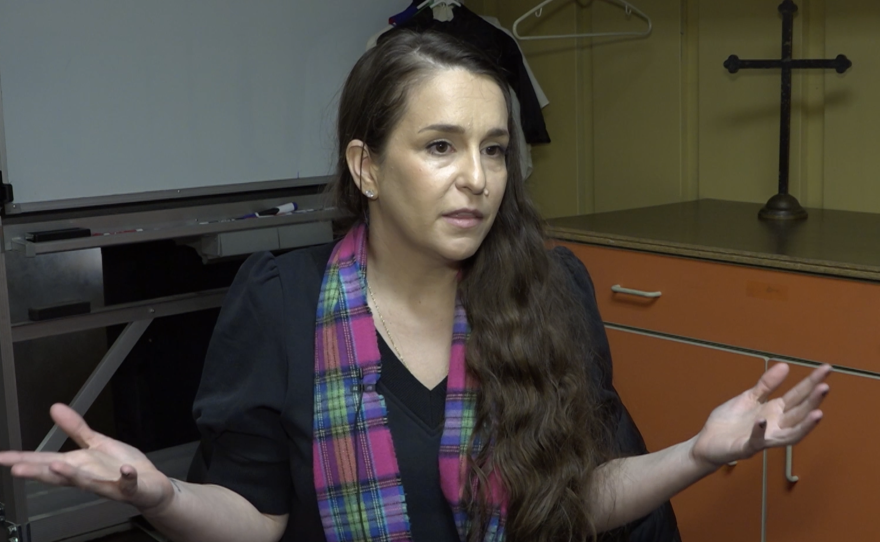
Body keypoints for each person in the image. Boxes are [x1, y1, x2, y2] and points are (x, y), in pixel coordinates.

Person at [0, 30, 831, 542]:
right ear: (366, 165)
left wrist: (698, 453)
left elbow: (572, 502)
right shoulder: (281, 302)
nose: (477, 178)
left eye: (495, 149)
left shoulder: (552, 289)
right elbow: (257, 520)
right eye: (440, 146)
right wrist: (162, 493)